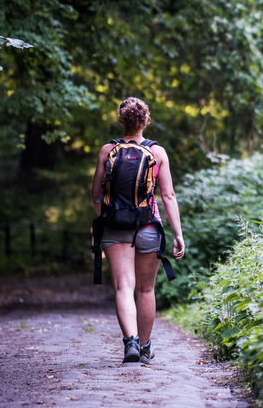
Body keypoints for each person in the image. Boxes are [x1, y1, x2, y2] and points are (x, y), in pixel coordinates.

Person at [90, 97, 185, 364]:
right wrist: (178, 234)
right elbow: (168, 196)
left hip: (115, 226)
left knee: (124, 287)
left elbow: (96, 194)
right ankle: (144, 347)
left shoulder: (107, 150)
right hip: (148, 226)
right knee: (145, 290)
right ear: (146, 120)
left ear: (122, 120)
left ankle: (130, 341)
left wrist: (107, 217)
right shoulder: (158, 153)